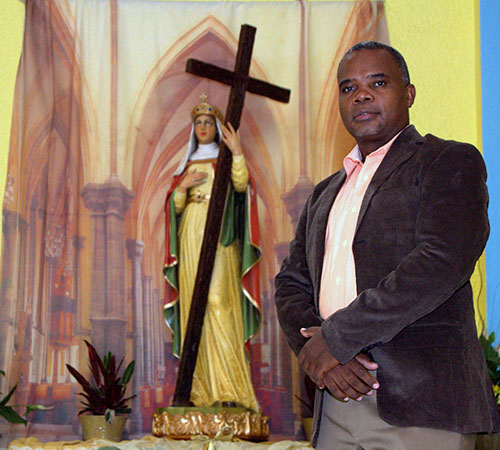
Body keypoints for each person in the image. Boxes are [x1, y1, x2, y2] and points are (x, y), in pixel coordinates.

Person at [275, 42, 500, 449]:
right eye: (348, 88)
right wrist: (320, 356)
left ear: (409, 93)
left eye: (377, 82)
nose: (361, 95)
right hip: (335, 402)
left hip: (422, 404)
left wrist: (338, 338)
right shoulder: (325, 193)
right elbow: (290, 284)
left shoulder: (447, 161)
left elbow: (441, 262)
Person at [164, 95, 261, 411]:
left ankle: (230, 387)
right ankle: (200, 390)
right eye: (198, 123)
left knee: (219, 302)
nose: (203, 127)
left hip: (219, 234)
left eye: (208, 122)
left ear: (217, 128)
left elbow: (241, 185)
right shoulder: (187, 165)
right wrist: (183, 187)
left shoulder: (224, 158)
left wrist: (237, 153)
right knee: (194, 307)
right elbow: (174, 207)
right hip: (191, 231)